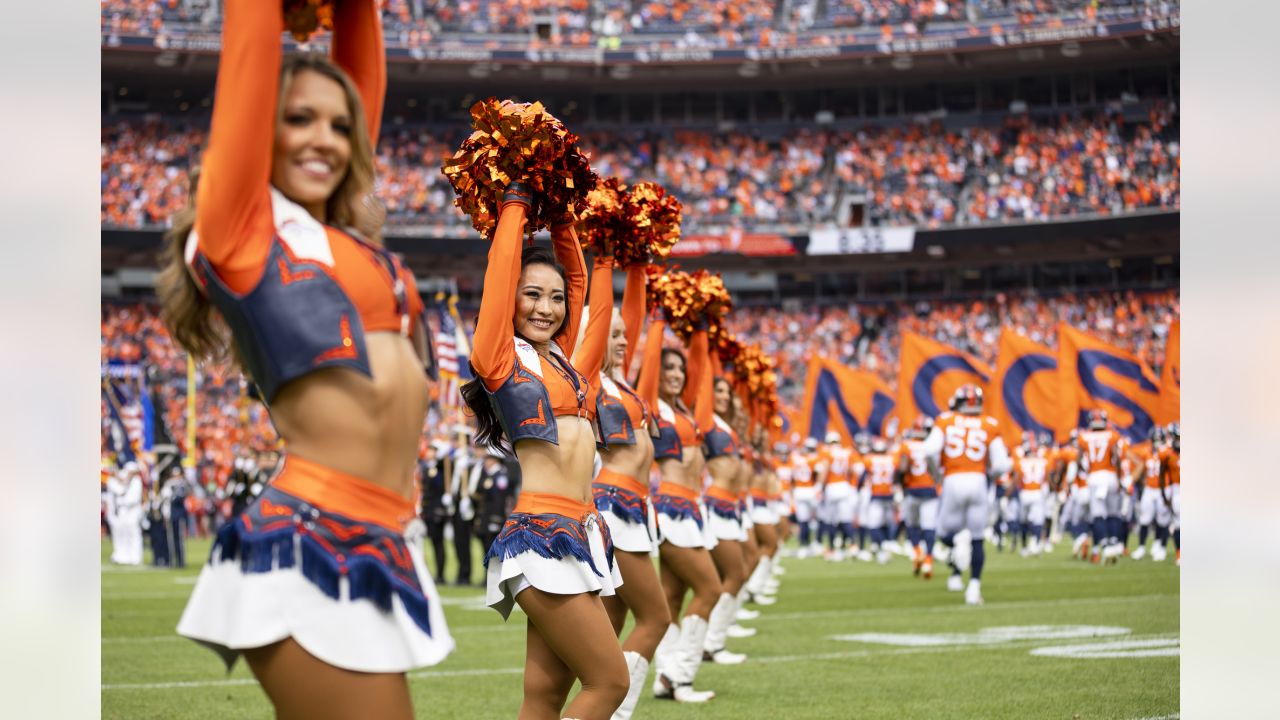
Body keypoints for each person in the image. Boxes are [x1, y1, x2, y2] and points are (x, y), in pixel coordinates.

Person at [167, 2, 453, 716]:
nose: (323, 138)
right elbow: (248, 52)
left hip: (374, 534)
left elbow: (360, 81)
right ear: (260, 127)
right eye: (297, 118)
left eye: (338, 124)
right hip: (311, 535)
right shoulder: (240, 230)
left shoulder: (341, 233)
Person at [462, 182, 628, 719]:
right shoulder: (500, 357)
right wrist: (516, 201)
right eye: (532, 294)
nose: (547, 308)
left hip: (583, 531)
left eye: (555, 298)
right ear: (511, 297)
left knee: (545, 696)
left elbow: (579, 280)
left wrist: (564, 216)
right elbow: (501, 270)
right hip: (542, 534)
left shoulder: (562, 359)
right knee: (609, 683)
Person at [579, 252, 672, 720]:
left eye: (622, 335)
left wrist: (635, 266)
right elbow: (603, 316)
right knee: (656, 617)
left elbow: (631, 321)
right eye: (611, 335)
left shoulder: (624, 385)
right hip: (614, 505)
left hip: (633, 505)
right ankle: (618, 713)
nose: (621, 340)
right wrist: (605, 261)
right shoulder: (590, 378)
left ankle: (595, 707)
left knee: (615, 619)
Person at [647, 325, 722, 703]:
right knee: (710, 588)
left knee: (672, 600)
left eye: (680, 369)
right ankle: (680, 675)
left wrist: (701, 330)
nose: (676, 374)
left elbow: (702, 372)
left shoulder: (683, 409)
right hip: (672, 509)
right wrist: (660, 318)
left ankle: (667, 675)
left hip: (691, 508)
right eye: (668, 369)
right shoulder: (652, 407)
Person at [922, 385, 1011, 605]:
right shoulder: (989, 424)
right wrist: (989, 474)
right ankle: (973, 588)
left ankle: (957, 551)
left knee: (944, 533)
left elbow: (929, 450)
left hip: (953, 479)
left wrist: (936, 475)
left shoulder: (945, 420)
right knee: (978, 538)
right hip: (978, 480)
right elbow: (1001, 464)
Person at [700, 377, 750, 665]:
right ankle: (712, 643)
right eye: (717, 391)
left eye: (726, 393)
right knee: (736, 573)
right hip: (717, 503)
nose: (723, 397)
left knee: (728, 575)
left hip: (730, 505)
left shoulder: (727, 427)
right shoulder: (708, 422)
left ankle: (713, 639)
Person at [1078, 409, 1128, 564]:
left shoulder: (1084, 437)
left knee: (1098, 515)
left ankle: (1105, 545)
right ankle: (1114, 544)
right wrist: (1119, 479)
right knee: (1113, 513)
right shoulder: (1112, 435)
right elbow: (1116, 458)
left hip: (1095, 477)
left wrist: (1087, 472)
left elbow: (1080, 460)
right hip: (1111, 476)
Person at [897, 416, 938, 578]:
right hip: (930, 490)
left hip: (912, 490)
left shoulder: (907, 445)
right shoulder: (933, 445)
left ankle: (917, 551)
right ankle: (928, 561)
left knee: (912, 524)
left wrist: (902, 486)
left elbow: (902, 468)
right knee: (929, 527)